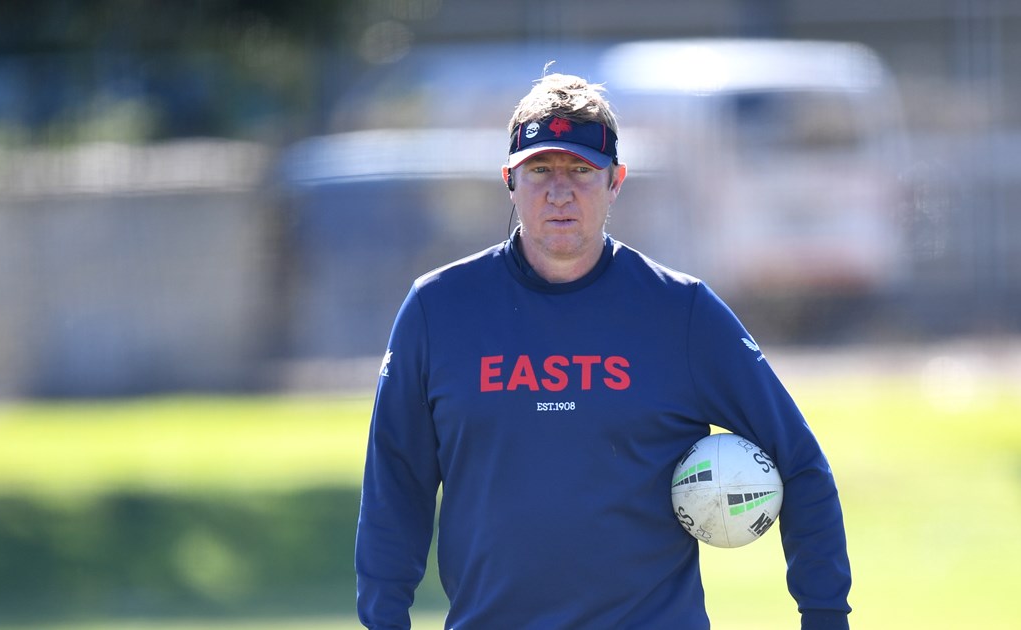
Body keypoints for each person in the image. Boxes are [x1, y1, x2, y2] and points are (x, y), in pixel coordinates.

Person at [354, 72, 852, 629]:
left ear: (616, 181)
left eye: (581, 171)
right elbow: (395, 485)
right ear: (509, 180)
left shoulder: (681, 312)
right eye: (539, 170)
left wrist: (824, 614)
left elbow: (800, 463)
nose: (559, 192)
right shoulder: (439, 309)